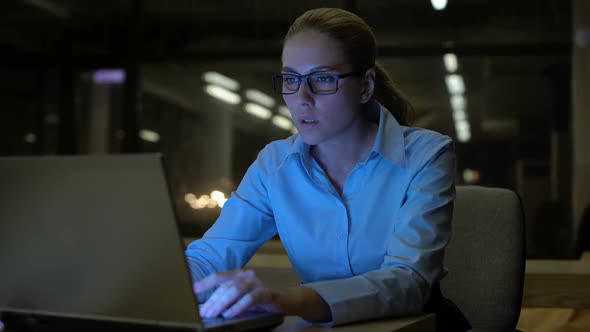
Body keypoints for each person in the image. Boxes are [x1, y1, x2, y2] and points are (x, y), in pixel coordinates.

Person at [186, 7, 462, 328]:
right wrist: (163, 283)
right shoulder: (274, 164)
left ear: (365, 86)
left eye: (322, 79)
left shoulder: (426, 154)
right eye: (291, 79)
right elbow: (210, 255)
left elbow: (409, 281)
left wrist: (287, 300)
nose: (302, 97)